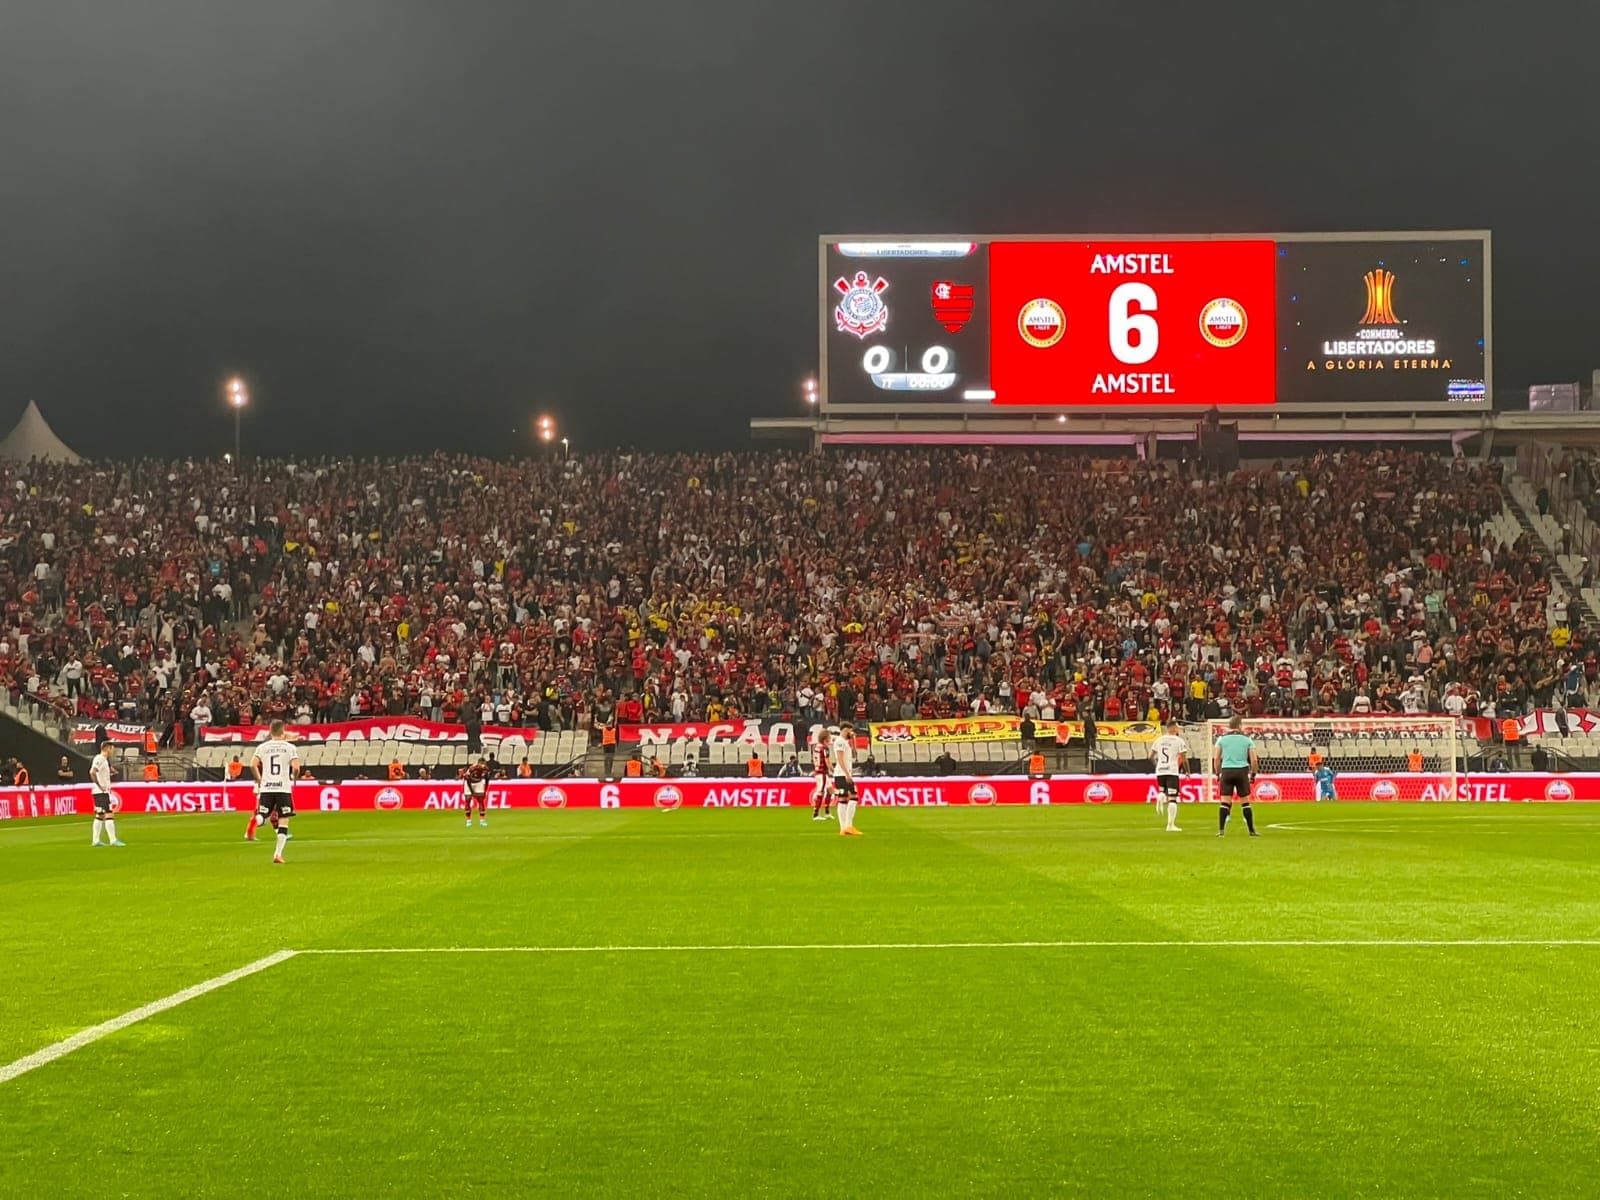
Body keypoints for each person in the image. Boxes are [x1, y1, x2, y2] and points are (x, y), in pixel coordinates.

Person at [246, 720, 299, 864]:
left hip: (267, 787)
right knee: (283, 820)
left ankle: (255, 822)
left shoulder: (262, 747)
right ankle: (277, 854)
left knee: (263, 815)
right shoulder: (290, 748)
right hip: (283, 788)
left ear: (270, 731)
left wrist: (259, 779)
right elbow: (296, 768)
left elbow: (252, 765)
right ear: (283, 731)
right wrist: (294, 779)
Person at [1212, 715, 1259, 837]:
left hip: (1226, 770)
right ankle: (1251, 831)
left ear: (1229, 726)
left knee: (1225, 802)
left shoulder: (1222, 739)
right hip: (1242, 771)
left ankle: (1221, 831)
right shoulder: (1247, 740)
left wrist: (1217, 773)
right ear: (1239, 725)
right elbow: (1254, 760)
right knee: (1245, 802)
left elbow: (1216, 758)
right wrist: (1253, 774)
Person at [1150, 720, 1187, 833]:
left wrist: (1158, 765)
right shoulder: (1179, 741)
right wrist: (1185, 770)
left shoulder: (1159, 740)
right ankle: (1170, 825)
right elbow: (1183, 757)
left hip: (1160, 770)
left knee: (1163, 791)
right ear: (1174, 728)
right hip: (1172, 771)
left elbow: (1150, 756)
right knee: (1172, 799)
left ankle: (1161, 795)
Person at [90, 741, 124, 847]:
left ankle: (96, 840)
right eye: (112, 749)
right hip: (101, 792)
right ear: (107, 748)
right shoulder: (99, 758)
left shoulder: (104, 760)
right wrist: (99, 785)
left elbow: (99, 772)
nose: (113, 751)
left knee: (100, 815)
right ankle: (113, 840)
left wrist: (109, 773)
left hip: (101, 791)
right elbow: (92, 772)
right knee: (109, 813)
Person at [831, 723, 861, 837]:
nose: (851, 733)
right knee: (853, 796)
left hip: (843, 774)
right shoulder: (839, 742)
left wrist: (854, 740)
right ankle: (847, 825)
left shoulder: (845, 742)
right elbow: (840, 759)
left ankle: (844, 828)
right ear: (845, 730)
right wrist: (847, 774)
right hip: (842, 774)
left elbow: (854, 755)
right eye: (850, 731)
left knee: (843, 799)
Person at [808, 725, 832, 821]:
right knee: (820, 792)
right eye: (829, 739)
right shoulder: (824, 749)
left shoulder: (816, 747)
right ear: (825, 739)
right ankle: (815, 814)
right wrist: (832, 769)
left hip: (819, 771)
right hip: (822, 773)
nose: (830, 741)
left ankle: (827, 812)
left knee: (830, 790)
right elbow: (827, 761)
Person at [463, 756, 490, 827]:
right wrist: (472, 792)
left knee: (481, 800)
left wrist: (485, 790)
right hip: (469, 783)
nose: (484, 766)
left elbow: (487, 779)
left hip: (478, 782)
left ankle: (482, 820)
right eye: (482, 764)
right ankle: (468, 821)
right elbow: (468, 779)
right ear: (479, 764)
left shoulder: (486, 769)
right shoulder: (472, 769)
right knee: (468, 799)